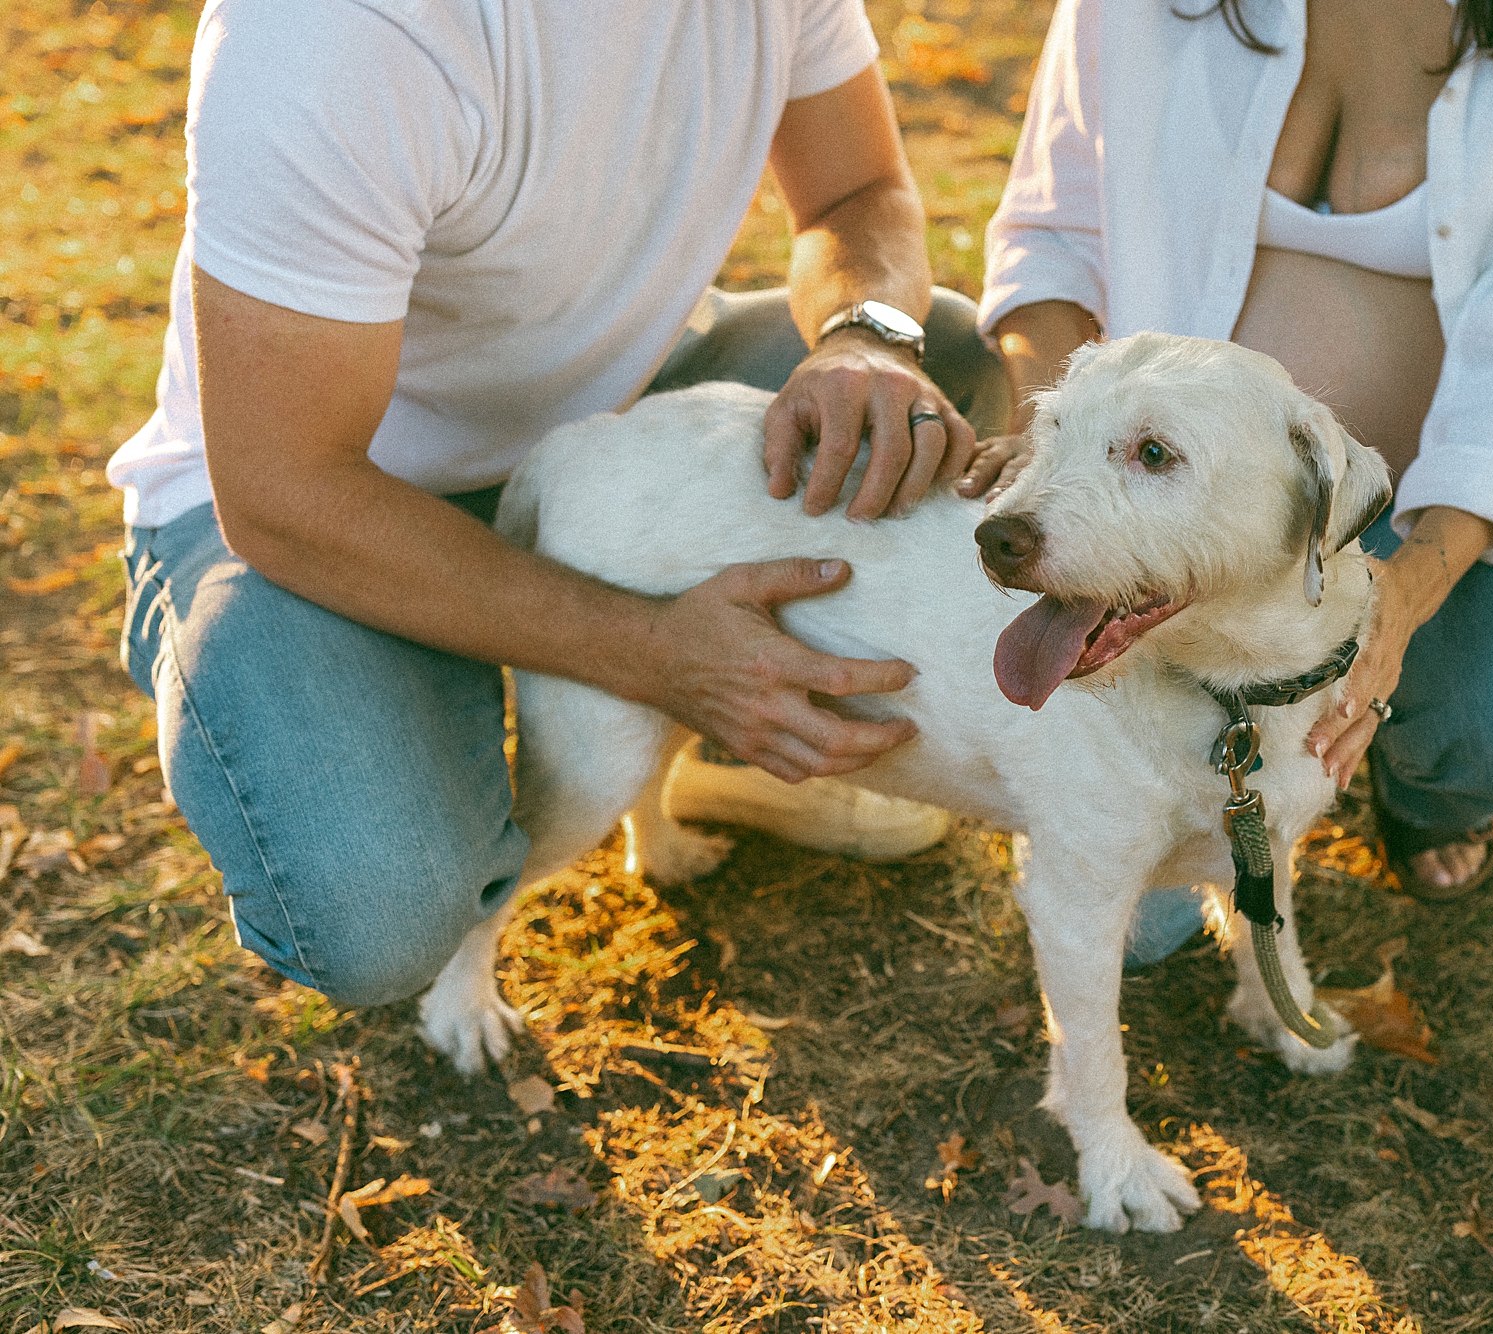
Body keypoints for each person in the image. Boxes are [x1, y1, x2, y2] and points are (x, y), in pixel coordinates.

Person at [109, 0, 1006, 1009]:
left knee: (945, 364)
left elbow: (857, 190)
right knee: (377, 906)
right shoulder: (339, 30)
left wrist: (863, 336)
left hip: (603, 413)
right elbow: (283, 490)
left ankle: (706, 745)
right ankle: (637, 693)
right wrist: (653, 650)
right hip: (327, 500)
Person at [969, 0, 1493, 936]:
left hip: (1431, 503)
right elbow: (1052, 230)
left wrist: (1412, 589)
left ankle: (1411, 786)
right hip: (1158, 506)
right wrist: (1059, 450)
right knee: (1138, 925)